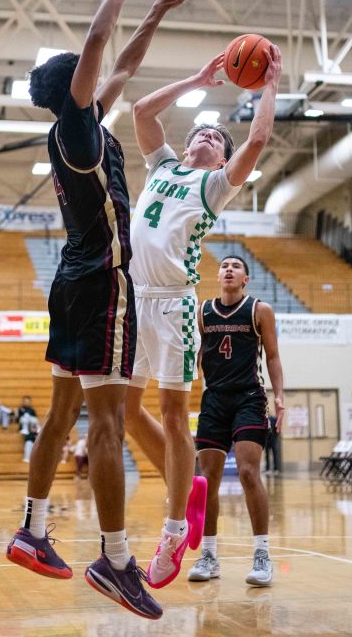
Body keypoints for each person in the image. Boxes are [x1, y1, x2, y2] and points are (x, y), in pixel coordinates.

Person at [5, 0, 191, 621]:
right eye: (87, 73)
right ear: (72, 88)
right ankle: (115, 560)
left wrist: (159, 10)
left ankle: (31, 526)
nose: (100, 72)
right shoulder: (76, 128)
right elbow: (97, 42)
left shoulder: (87, 129)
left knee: (61, 416)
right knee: (107, 423)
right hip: (104, 282)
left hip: (70, 280)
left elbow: (124, 58)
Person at [124, 38, 281, 590]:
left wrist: (270, 86)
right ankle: (187, 483)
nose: (209, 139)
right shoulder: (161, 167)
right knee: (121, 410)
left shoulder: (212, 186)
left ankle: (172, 530)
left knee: (170, 415)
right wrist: (196, 79)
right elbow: (141, 111)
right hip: (132, 298)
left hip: (172, 305)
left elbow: (258, 138)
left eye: (218, 139)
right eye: (203, 133)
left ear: (221, 158)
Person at [187, 256, 284, 587]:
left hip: (248, 397)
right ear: (218, 276)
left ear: (245, 278)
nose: (228, 269)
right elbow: (198, 355)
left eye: (236, 266)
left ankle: (262, 554)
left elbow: (272, 355)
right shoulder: (202, 312)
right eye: (224, 265)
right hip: (214, 398)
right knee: (207, 480)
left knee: (247, 472)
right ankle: (209, 555)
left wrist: (280, 396)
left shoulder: (259, 310)